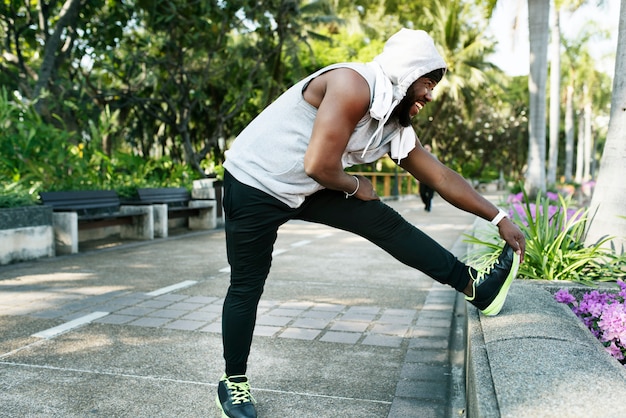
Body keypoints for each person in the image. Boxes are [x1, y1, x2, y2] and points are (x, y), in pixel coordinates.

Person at [215, 28, 526, 418]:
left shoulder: (392, 124)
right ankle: (234, 382)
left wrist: (498, 217)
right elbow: (318, 164)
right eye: (427, 84)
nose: (430, 96)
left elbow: (442, 178)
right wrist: (356, 184)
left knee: (386, 224)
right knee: (248, 283)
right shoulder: (352, 84)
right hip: (255, 183)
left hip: (308, 185)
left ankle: (474, 286)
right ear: (407, 74)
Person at [419, 144, 436, 211]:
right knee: (422, 193)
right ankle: (427, 204)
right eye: (425, 148)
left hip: (431, 179)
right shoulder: (420, 157)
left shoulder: (434, 157)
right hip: (423, 178)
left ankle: (428, 207)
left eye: (427, 148)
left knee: (430, 194)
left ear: (430, 149)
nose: (426, 150)